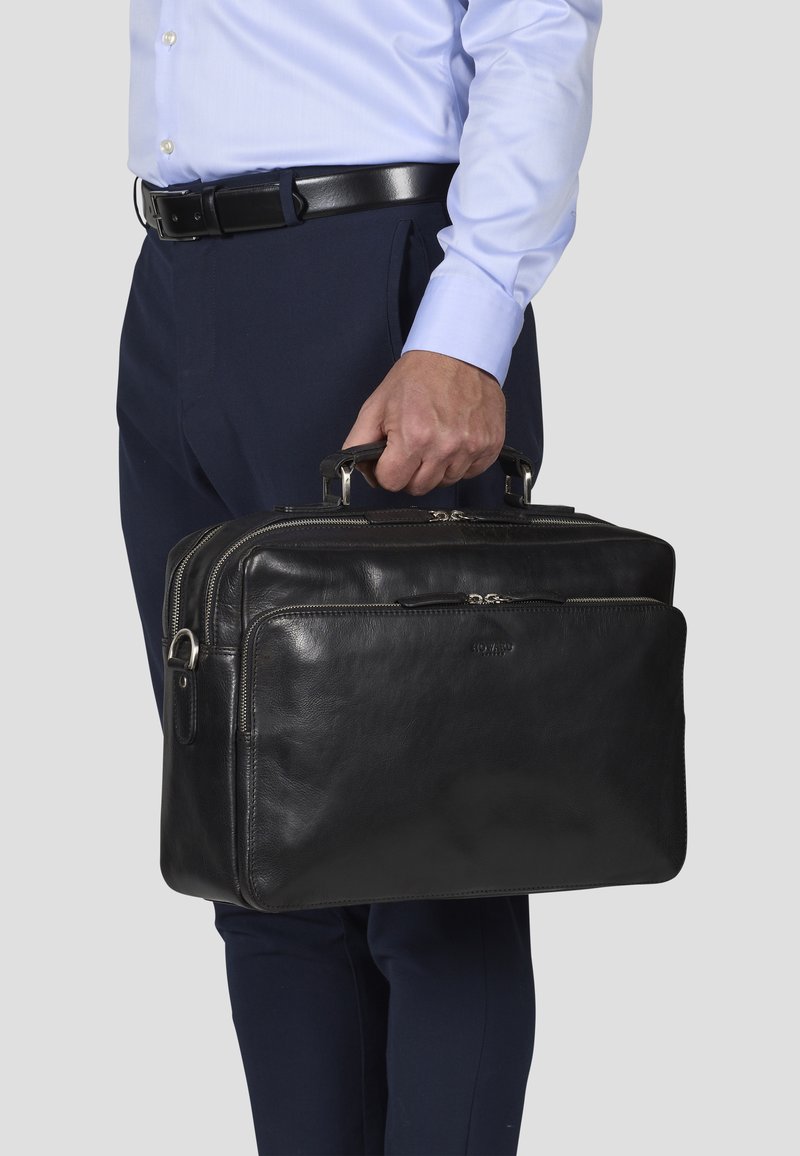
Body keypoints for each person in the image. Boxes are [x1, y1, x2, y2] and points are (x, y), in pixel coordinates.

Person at [117, 3, 602, 1152]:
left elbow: (537, 31)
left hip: (375, 284)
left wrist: (464, 329)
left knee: (431, 864)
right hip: (178, 286)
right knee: (257, 853)